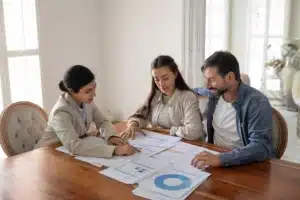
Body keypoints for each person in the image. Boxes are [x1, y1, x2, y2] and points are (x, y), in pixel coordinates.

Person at [191, 51, 275, 168]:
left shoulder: (257, 102)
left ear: (230, 77)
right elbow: (197, 90)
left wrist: (221, 159)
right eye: (206, 79)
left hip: (243, 164)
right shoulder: (215, 93)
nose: (207, 85)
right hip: (214, 158)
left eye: (212, 79)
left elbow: (261, 147)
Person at [35, 65, 136, 158]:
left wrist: (111, 136)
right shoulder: (61, 112)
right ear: (71, 91)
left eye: (94, 88)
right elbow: (74, 145)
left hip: (68, 152)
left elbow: (102, 122)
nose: (94, 94)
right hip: (47, 153)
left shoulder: (87, 101)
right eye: (88, 91)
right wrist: (114, 150)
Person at [120, 55, 205, 140]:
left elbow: (195, 131)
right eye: (156, 79)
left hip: (187, 146)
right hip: (161, 143)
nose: (161, 84)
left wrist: (165, 131)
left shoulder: (188, 97)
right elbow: (139, 116)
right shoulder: (155, 95)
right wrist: (133, 124)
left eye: (165, 78)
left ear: (175, 74)